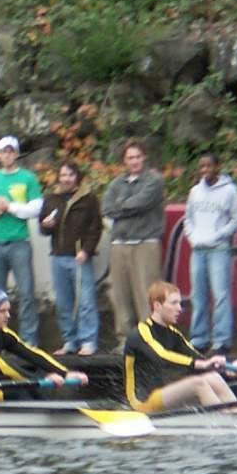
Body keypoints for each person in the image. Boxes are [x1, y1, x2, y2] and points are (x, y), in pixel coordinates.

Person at [123, 281, 237, 414]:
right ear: (157, 306)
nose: (179, 309)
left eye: (180, 303)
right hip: (141, 402)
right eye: (174, 303)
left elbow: (199, 358)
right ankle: (224, 423)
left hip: (164, 393)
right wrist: (201, 364)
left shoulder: (174, 333)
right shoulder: (141, 332)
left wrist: (228, 366)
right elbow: (161, 356)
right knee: (198, 383)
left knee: (213, 377)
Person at [0, 287, 89, 403]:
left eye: (8, 310)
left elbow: (32, 354)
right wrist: (42, 380)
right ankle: (41, 415)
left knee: (31, 379)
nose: (8, 315)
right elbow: (4, 366)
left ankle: (48, 412)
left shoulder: (4, 333)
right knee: (19, 389)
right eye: (2, 311)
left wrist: (65, 373)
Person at [0, 135, 43, 345]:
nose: (8, 155)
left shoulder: (28, 177)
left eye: (11, 151)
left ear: (17, 154)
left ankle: (29, 340)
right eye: (4, 151)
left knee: (26, 292)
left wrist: (10, 207)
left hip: (20, 241)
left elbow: (36, 207)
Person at [101, 139, 165, 350]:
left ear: (144, 157)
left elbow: (142, 202)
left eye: (137, 156)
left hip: (145, 243)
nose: (134, 161)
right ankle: (126, 341)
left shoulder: (154, 180)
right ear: (124, 160)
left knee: (146, 293)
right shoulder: (116, 183)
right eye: (130, 157)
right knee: (119, 295)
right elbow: (106, 207)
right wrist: (126, 207)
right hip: (119, 244)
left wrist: (121, 207)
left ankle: (151, 340)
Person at [39, 160, 103, 356]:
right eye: (63, 175)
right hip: (58, 255)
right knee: (63, 303)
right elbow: (43, 228)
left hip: (79, 257)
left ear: (77, 177)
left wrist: (86, 250)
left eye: (70, 174)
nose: (66, 179)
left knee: (85, 302)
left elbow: (96, 228)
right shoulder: (51, 198)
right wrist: (46, 225)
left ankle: (88, 341)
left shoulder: (89, 199)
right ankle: (70, 341)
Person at [183, 152, 237, 356]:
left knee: (221, 295)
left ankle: (222, 340)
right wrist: (192, 237)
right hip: (198, 249)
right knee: (198, 296)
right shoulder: (195, 192)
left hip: (219, 249)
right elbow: (188, 219)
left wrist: (219, 235)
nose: (205, 170)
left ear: (217, 167)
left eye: (209, 166)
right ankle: (199, 338)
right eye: (202, 166)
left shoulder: (230, 191)